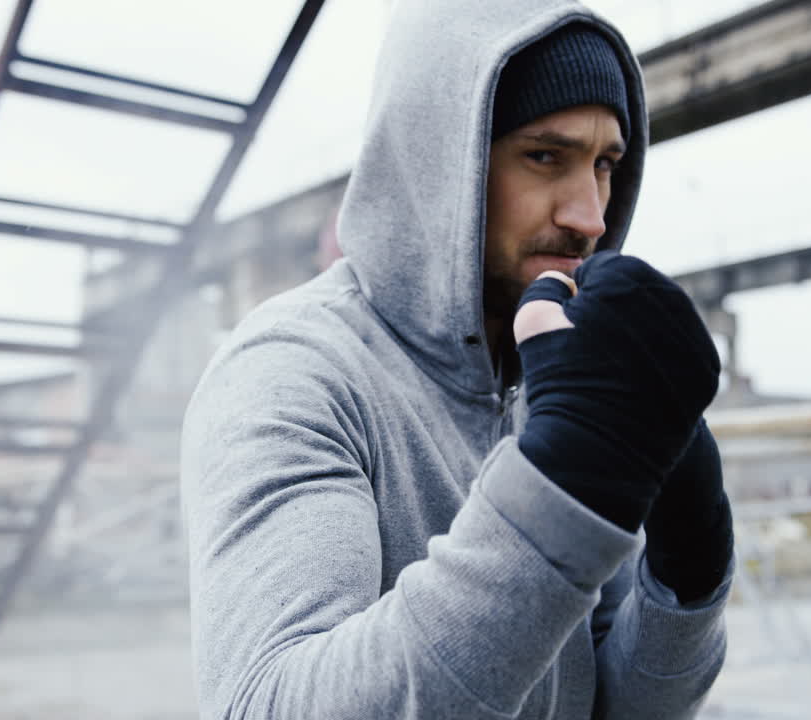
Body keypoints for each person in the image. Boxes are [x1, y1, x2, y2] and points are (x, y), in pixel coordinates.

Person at [180, 1, 734, 717]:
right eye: (545, 156)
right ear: (441, 161)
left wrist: (689, 556)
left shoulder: (551, 375)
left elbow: (621, 707)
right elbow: (269, 704)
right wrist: (562, 487)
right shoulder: (293, 370)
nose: (590, 215)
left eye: (605, 164)